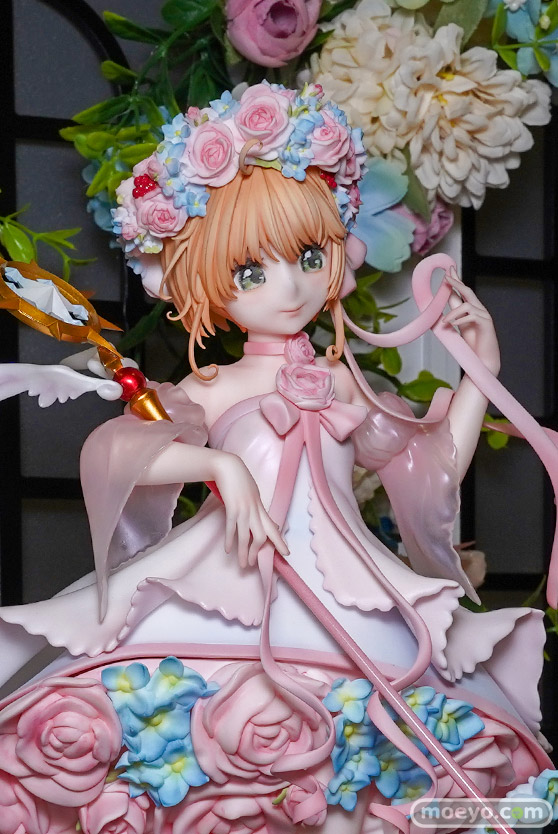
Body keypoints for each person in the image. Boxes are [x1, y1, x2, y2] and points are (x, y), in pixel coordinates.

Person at [0, 83, 553, 831]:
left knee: (373, 767)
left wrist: (479, 374)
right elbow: (121, 454)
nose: (289, 287)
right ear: (200, 279)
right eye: (250, 273)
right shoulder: (215, 386)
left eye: (309, 257)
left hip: (353, 587)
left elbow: (432, 471)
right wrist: (222, 469)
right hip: (230, 578)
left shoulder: (343, 382)